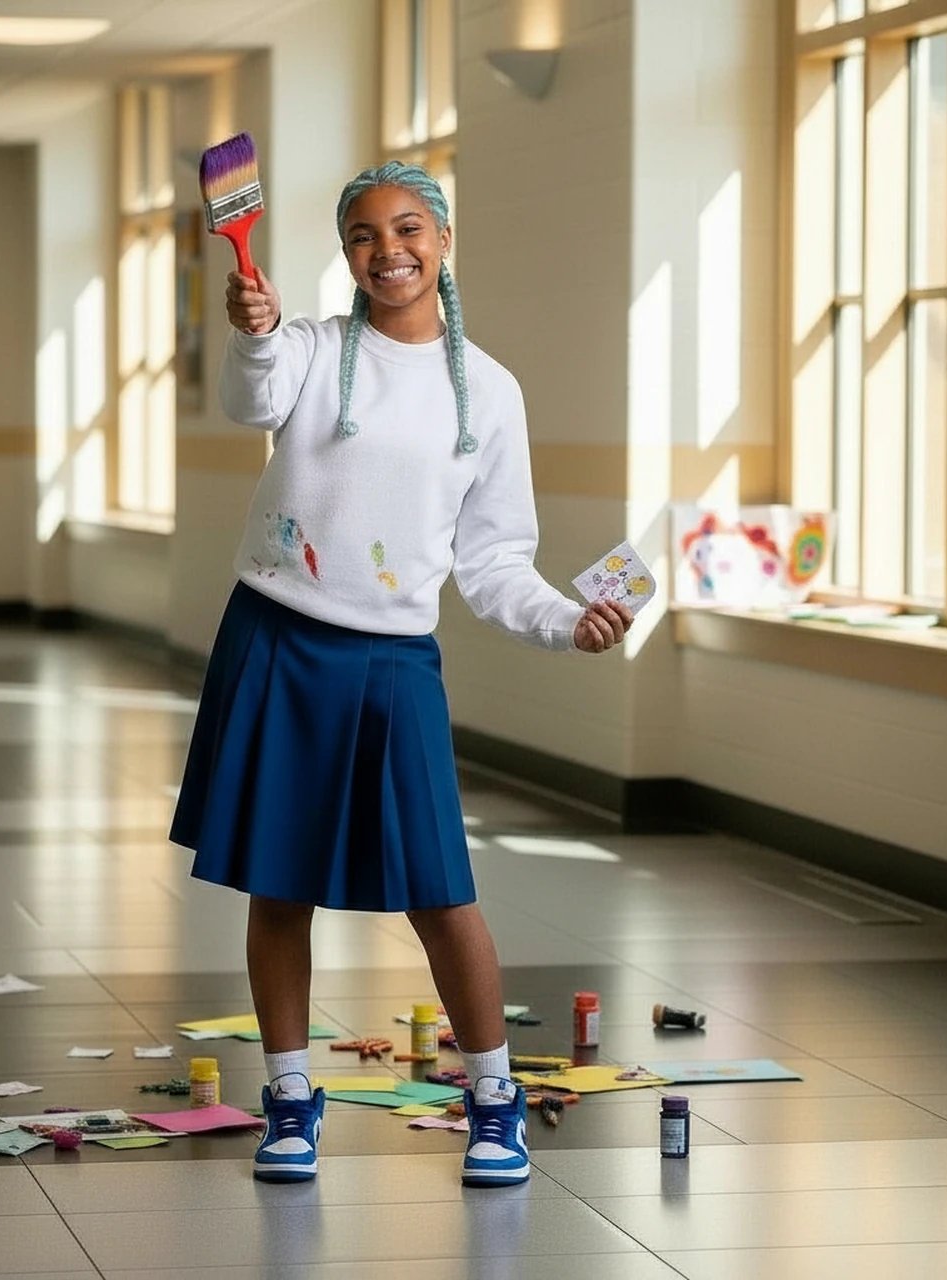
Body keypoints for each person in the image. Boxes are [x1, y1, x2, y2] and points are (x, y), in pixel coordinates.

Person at [170, 160, 632, 1188]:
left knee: (440, 889)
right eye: (364, 236)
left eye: (408, 228)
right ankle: (289, 1095)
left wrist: (569, 623)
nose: (389, 251)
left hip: (393, 660)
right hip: (277, 636)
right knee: (277, 881)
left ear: (443, 240)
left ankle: (494, 1098)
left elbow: (494, 560)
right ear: (346, 255)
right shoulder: (306, 350)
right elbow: (251, 398)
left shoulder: (492, 394)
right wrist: (251, 326)